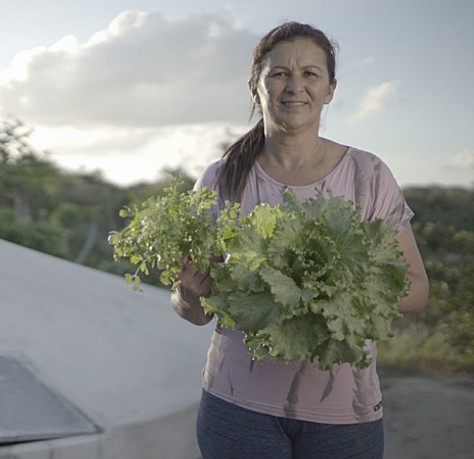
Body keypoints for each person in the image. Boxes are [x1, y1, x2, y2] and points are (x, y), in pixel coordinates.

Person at [170, 21, 429, 459]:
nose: (295, 87)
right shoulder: (220, 178)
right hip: (237, 406)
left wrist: (336, 294)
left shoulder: (369, 175)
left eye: (310, 74)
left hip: (344, 414)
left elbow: (416, 290)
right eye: (279, 74)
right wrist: (188, 293)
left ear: (330, 89)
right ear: (256, 87)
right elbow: (191, 311)